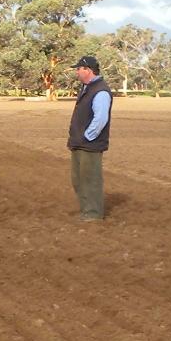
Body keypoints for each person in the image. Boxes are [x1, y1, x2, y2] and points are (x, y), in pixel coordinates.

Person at [69, 55, 113, 222]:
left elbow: (101, 118)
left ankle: (93, 214)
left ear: (88, 70)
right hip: (79, 143)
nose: (76, 72)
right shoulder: (86, 88)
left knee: (90, 179)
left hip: (89, 145)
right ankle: (86, 211)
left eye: (79, 69)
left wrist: (87, 136)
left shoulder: (100, 91)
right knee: (78, 180)